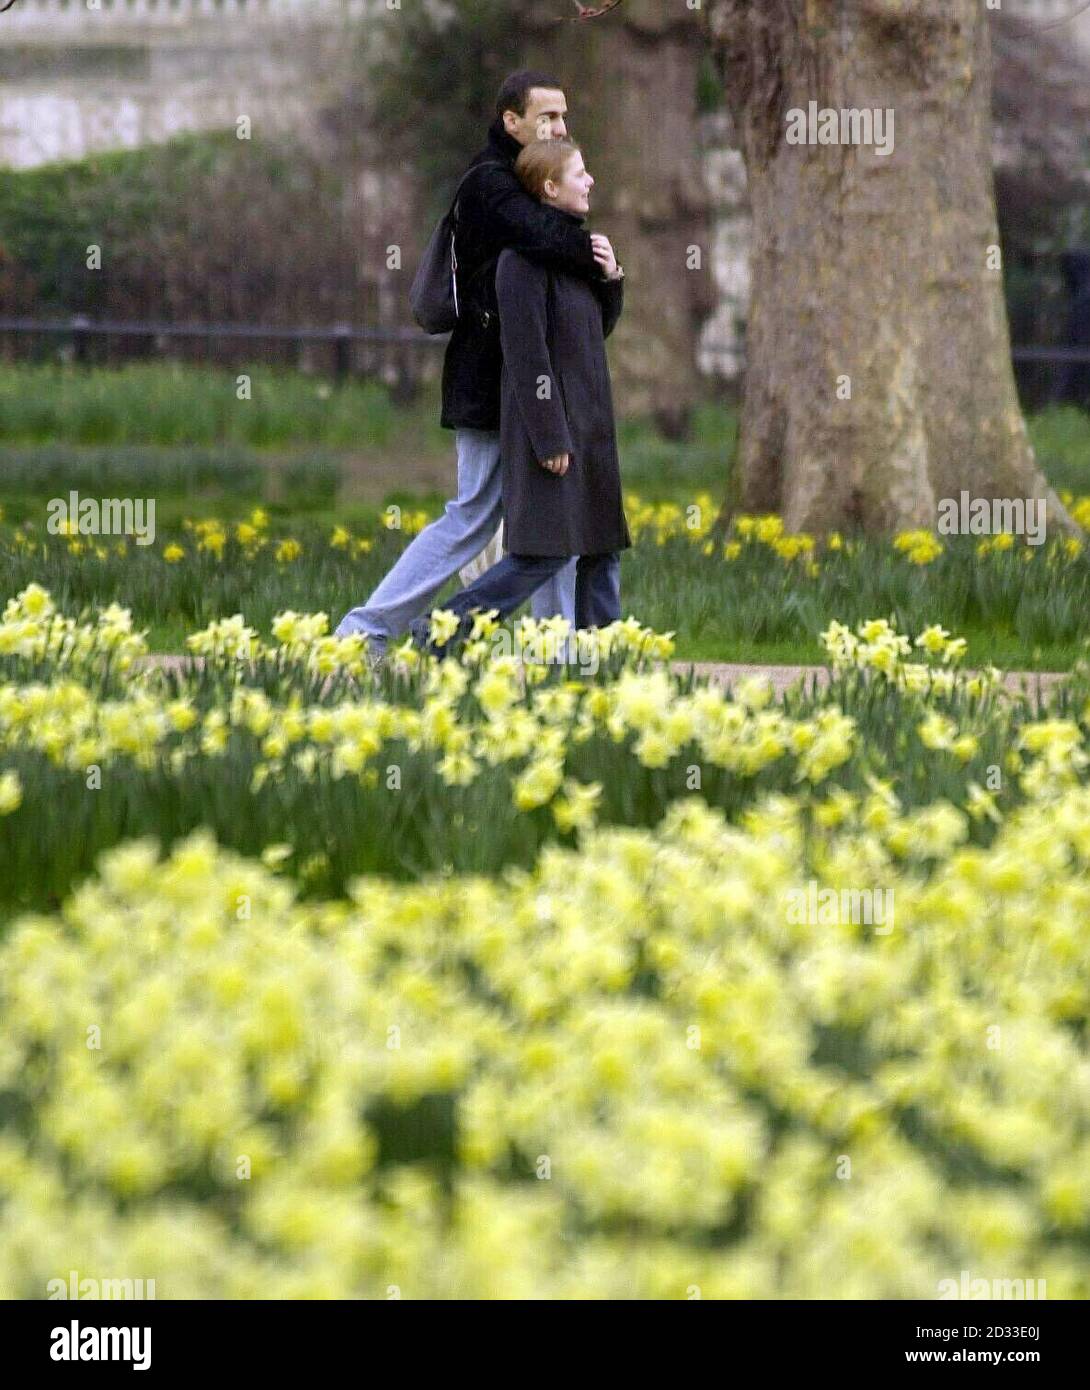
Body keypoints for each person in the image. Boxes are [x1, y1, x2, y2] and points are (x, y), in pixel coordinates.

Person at [335, 70, 619, 652]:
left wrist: (604, 271)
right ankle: (367, 631)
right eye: (547, 117)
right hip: (489, 384)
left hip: (532, 389)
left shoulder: (525, 179)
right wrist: (593, 254)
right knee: (473, 516)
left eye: (563, 116)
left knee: (552, 521)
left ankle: (556, 650)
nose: (559, 126)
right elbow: (549, 234)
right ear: (510, 121)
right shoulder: (489, 185)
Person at [410, 138, 629, 654]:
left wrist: (611, 276)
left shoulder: (578, 251)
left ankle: (602, 663)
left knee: (601, 546)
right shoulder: (519, 264)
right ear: (550, 188)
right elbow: (527, 355)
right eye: (580, 173)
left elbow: (598, 328)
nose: (591, 181)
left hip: (592, 423)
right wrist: (550, 437)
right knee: (543, 552)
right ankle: (441, 631)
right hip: (551, 430)